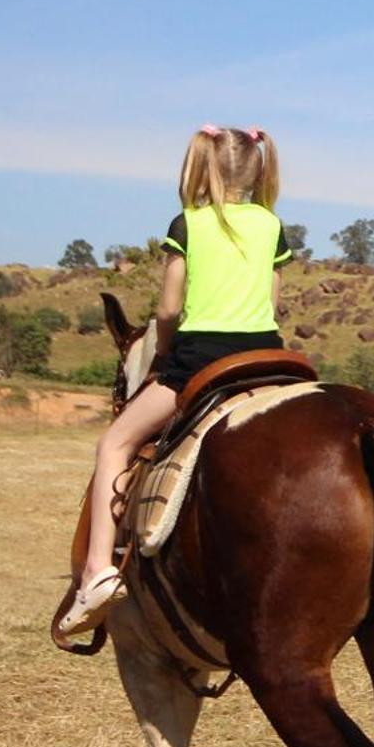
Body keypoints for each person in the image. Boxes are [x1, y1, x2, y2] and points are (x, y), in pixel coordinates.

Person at [58, 124, 292, 635]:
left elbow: (168, 308)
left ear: (203, 166)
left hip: (202, 360)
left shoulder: (188, 223)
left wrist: (165, 350)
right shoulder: (272, 226)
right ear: (257, 170)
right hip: (268, 357)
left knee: (114, 444)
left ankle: (98, 572)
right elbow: (273, 305)